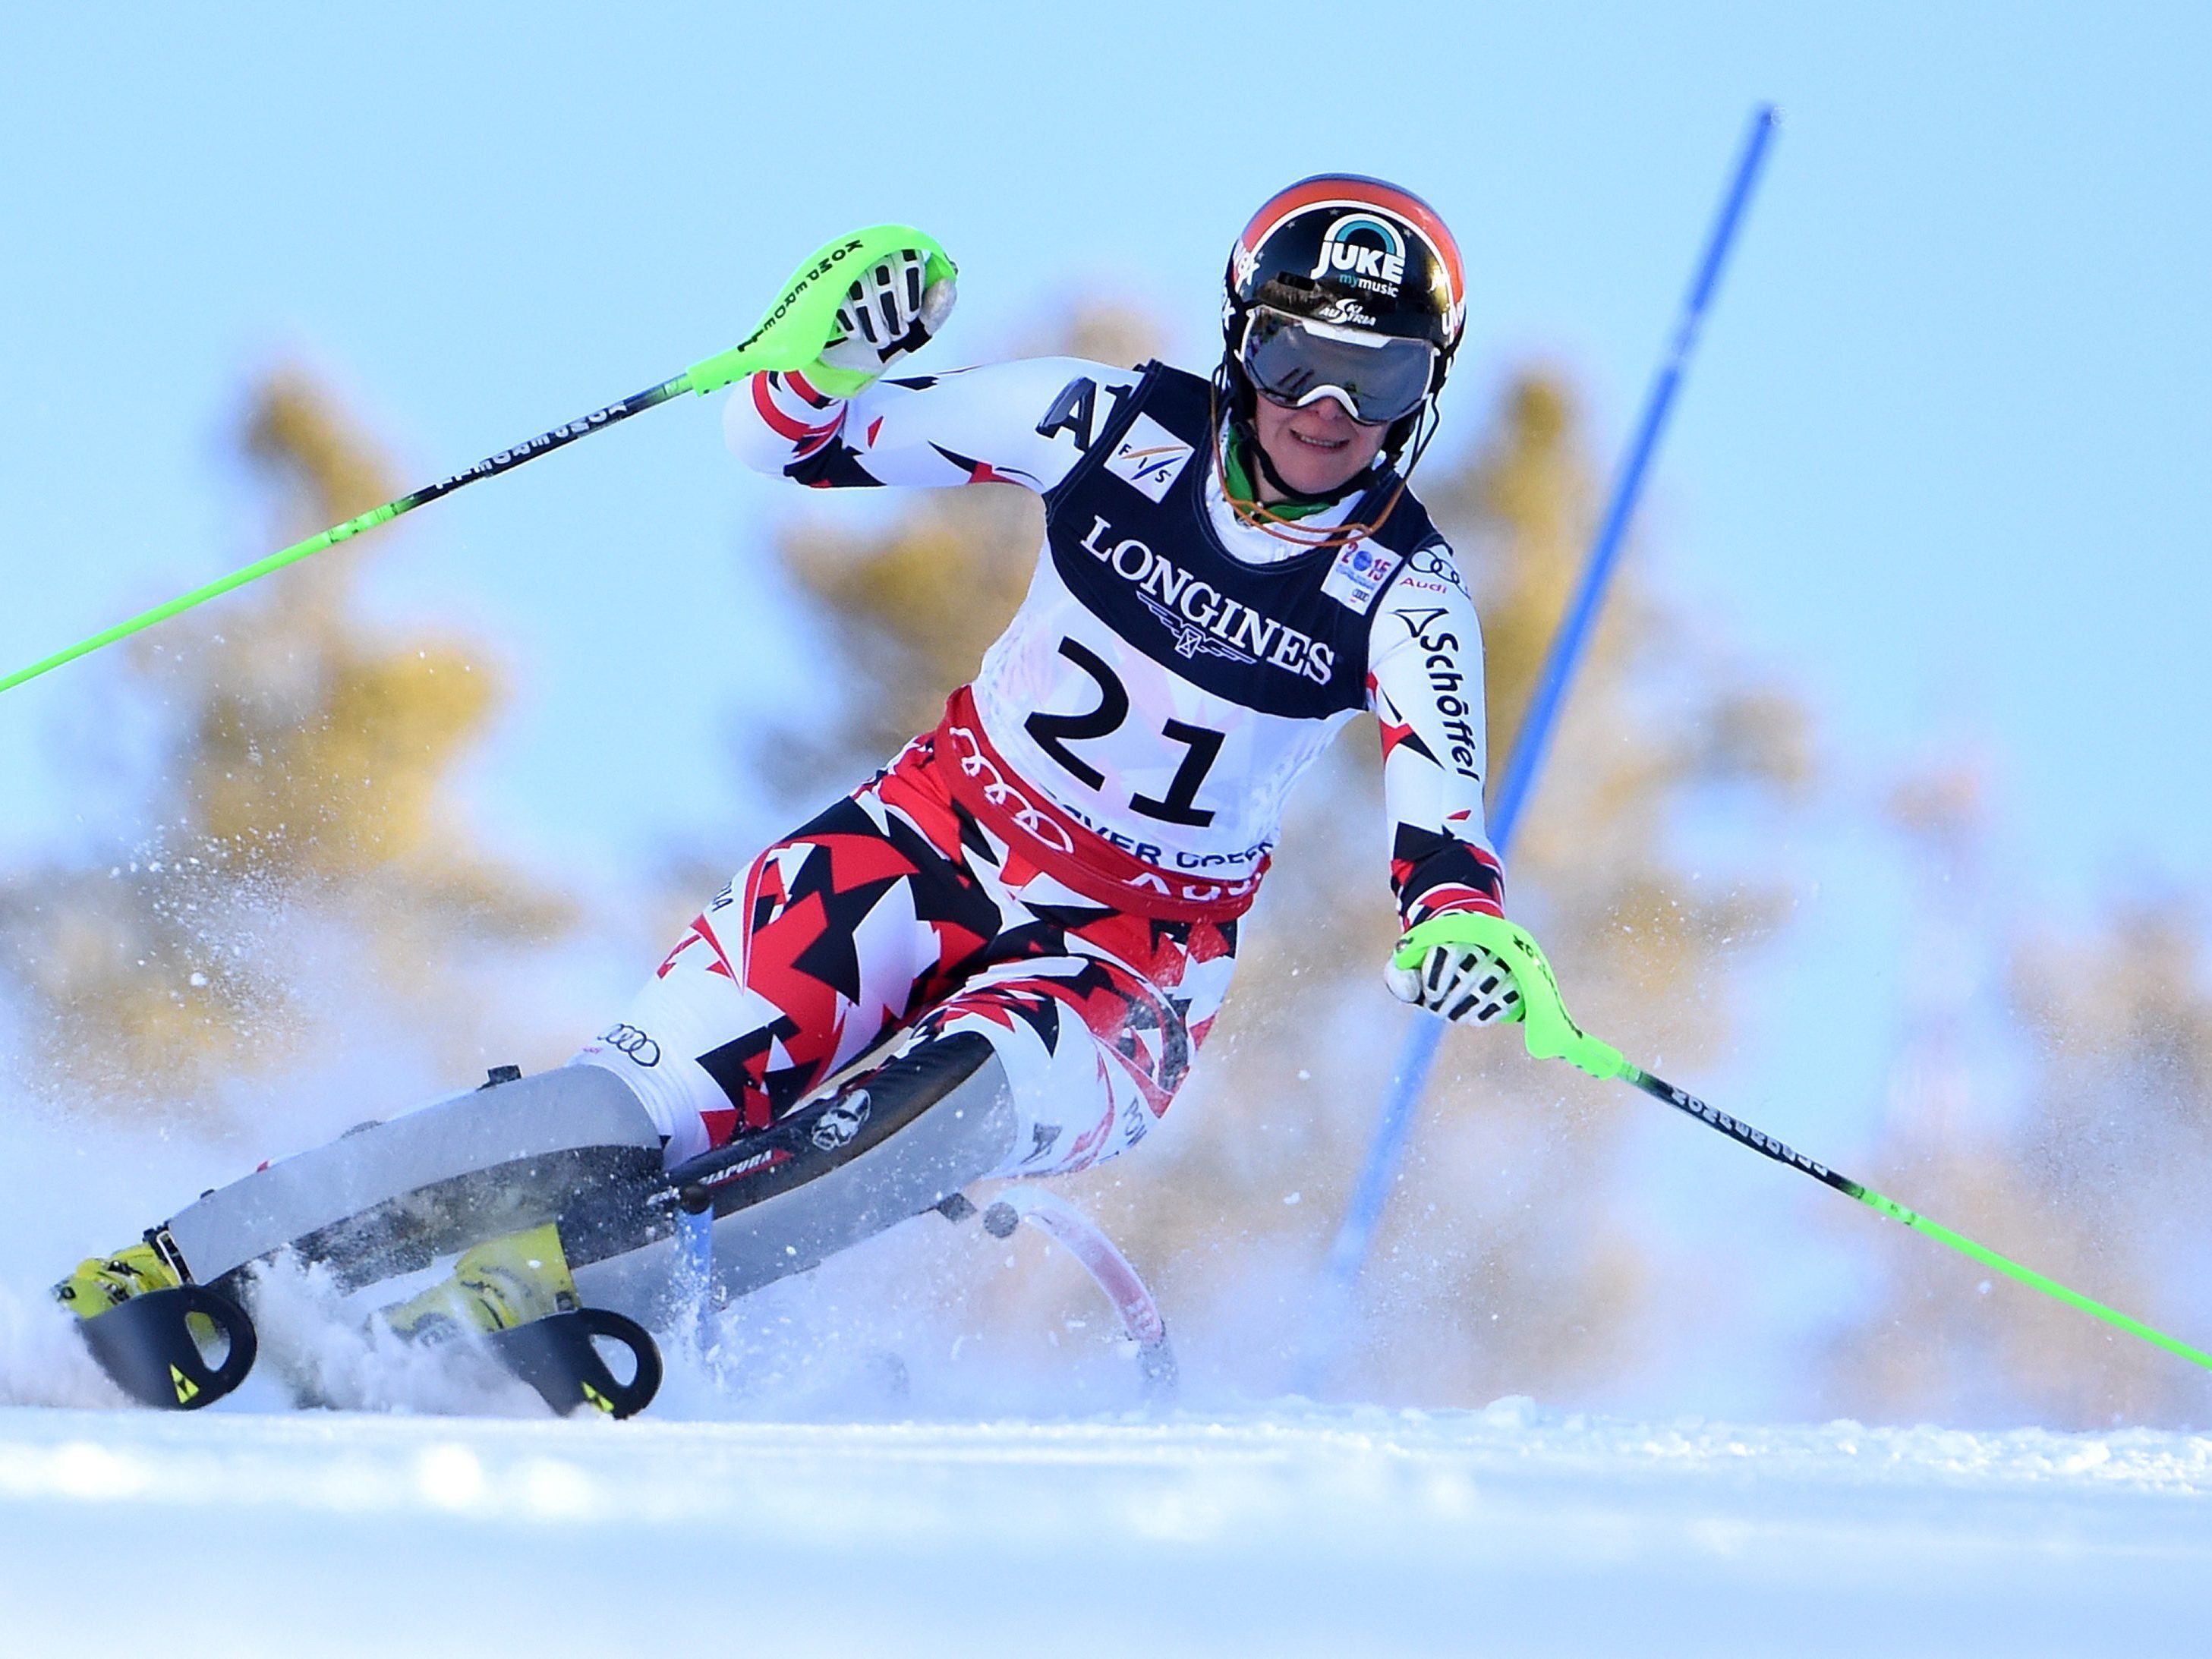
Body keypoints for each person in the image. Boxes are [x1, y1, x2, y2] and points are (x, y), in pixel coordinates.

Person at [55, 175, 1533, 1376]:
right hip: (924, 839)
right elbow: (792, 444)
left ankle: (602, 1288)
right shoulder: (1105, 421)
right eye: (1289, 354)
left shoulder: (1400, 589)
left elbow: (1438, 808)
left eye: (1374, 374)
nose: (1321, 407)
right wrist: (818, 355)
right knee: (613, 1113)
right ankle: (189, 1261)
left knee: (967, 1089)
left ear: (1424, 388)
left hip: (1128, 957)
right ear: (1238, 337)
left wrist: (1456, 920)